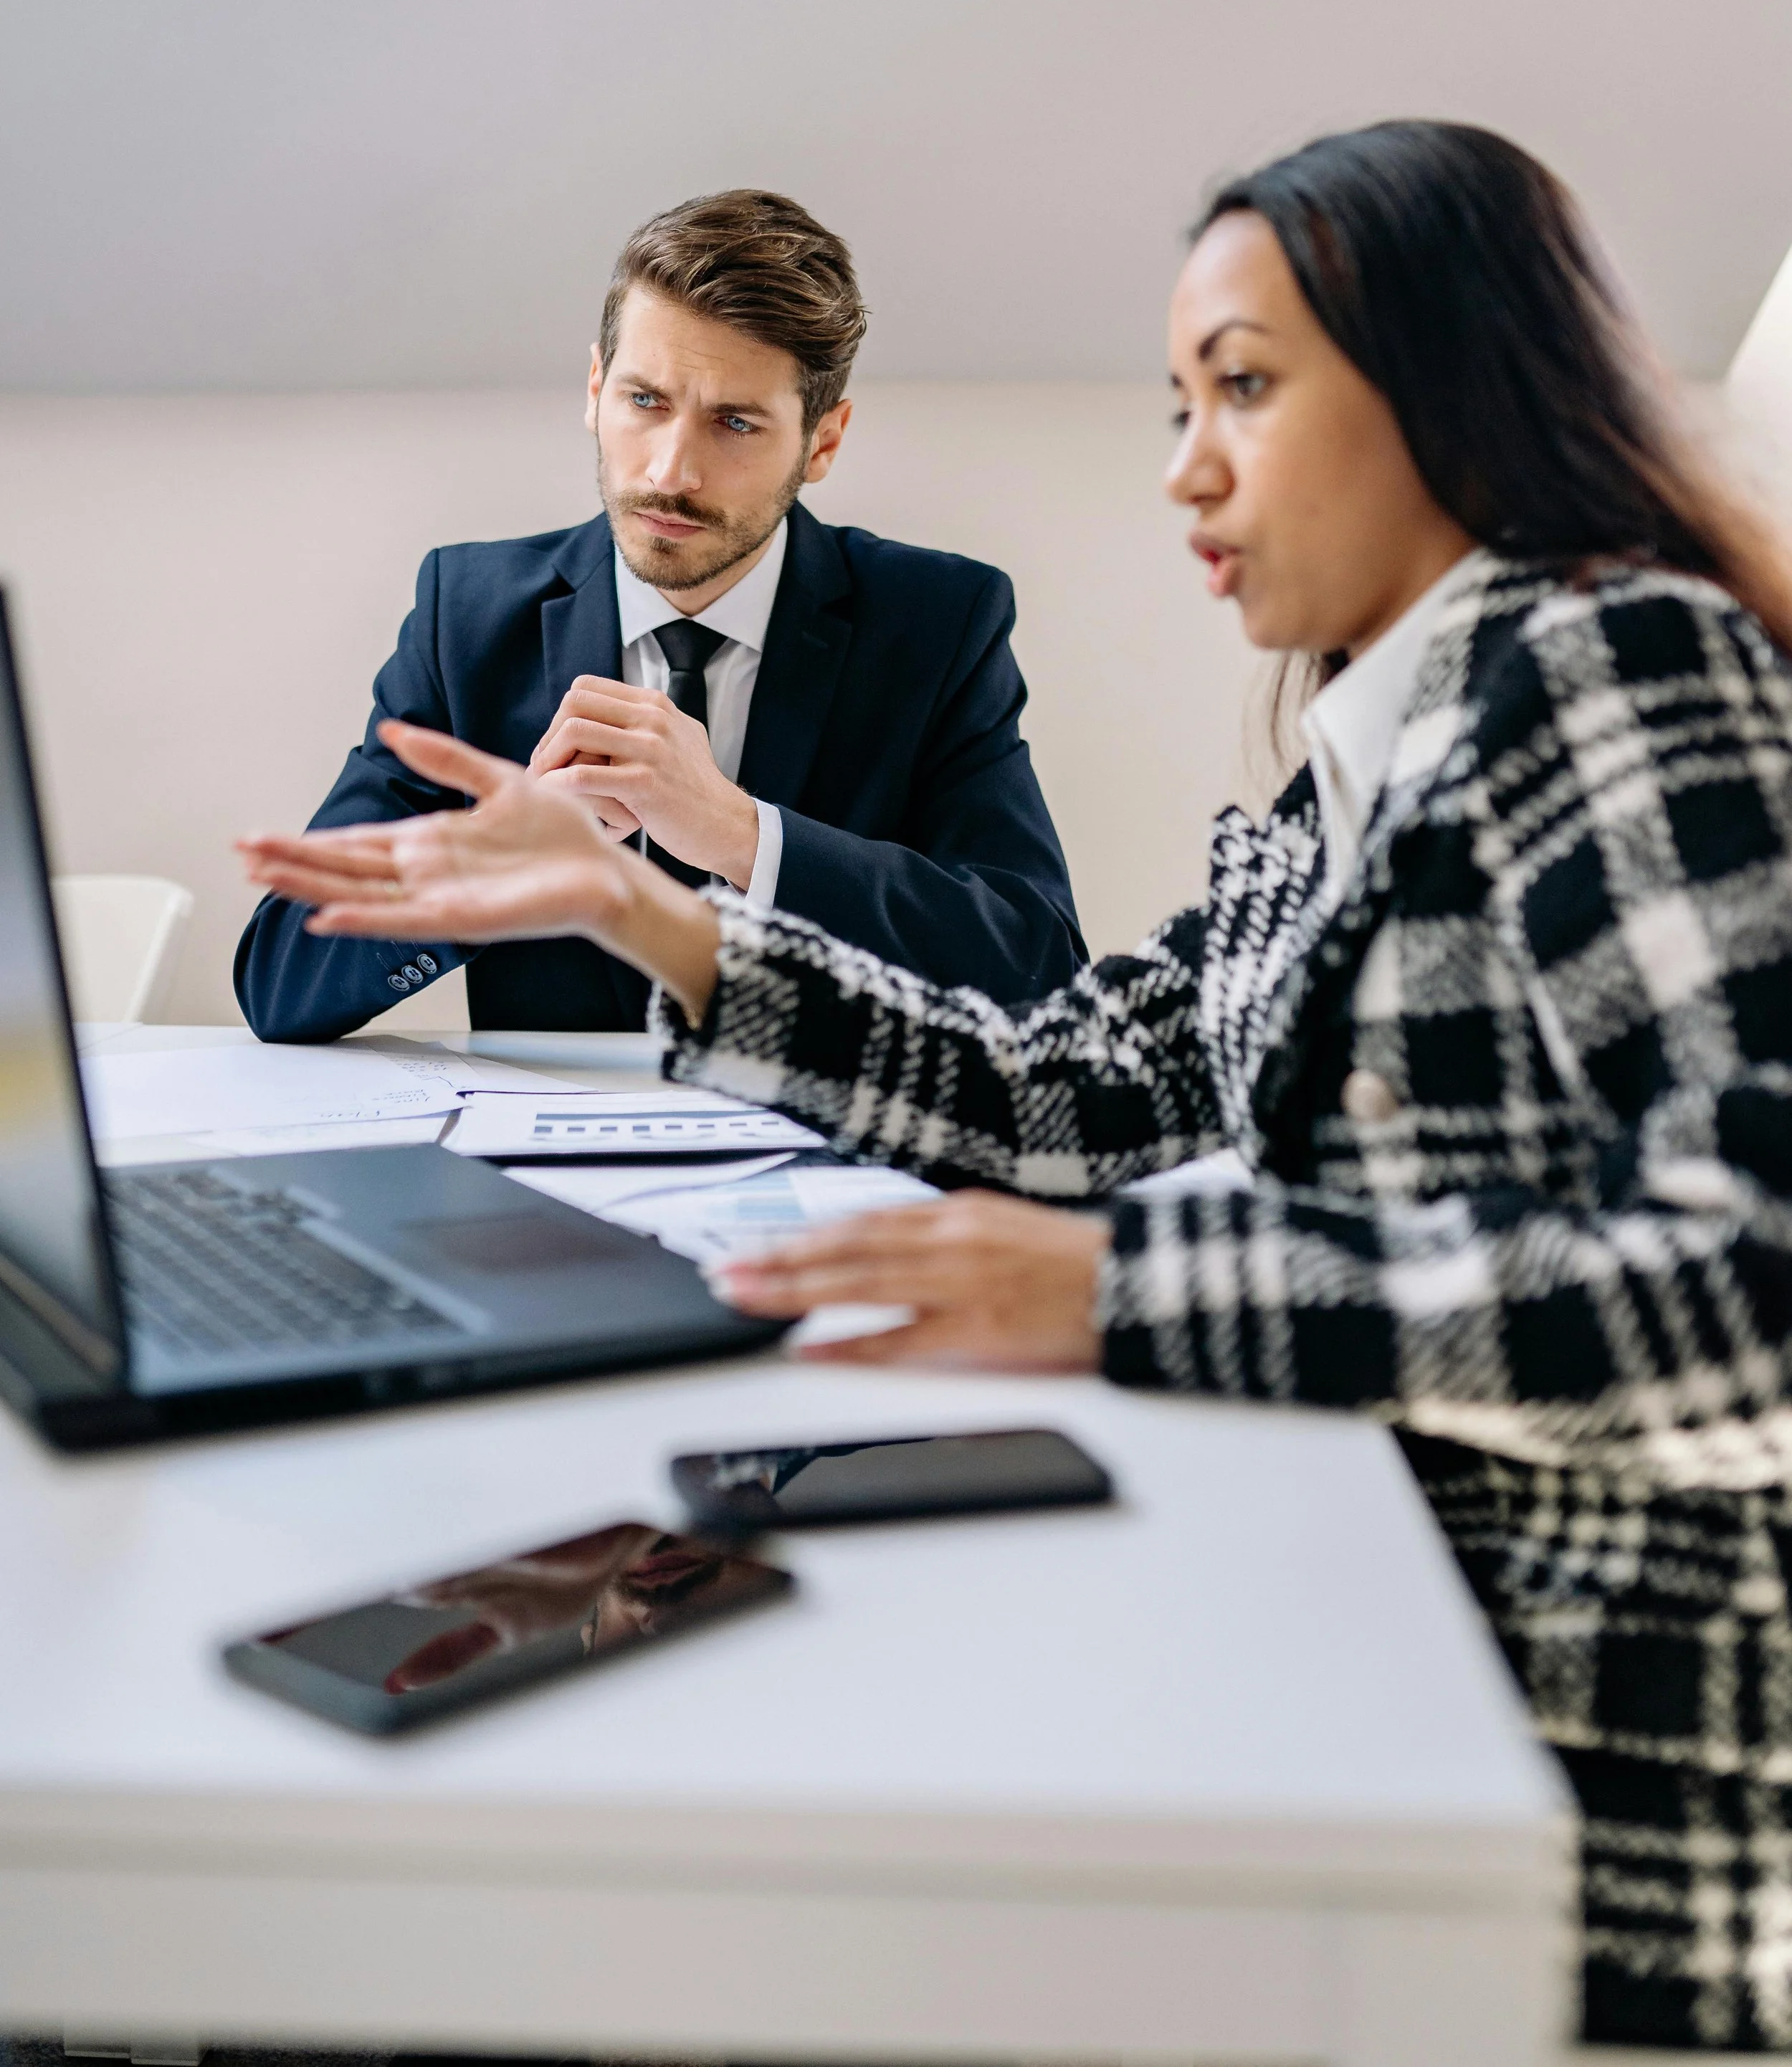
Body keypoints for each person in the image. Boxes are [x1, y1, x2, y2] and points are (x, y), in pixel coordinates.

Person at [240, 120, 1792, 2054]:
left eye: (1242, 387)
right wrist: (654, 919)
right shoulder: (1359, 759)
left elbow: (1758, 1297)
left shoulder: (1617, 670)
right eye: (1176, 399)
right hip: (1344, 1630)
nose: (1183, 463)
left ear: (1446, 384)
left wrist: (1127, 1291)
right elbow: (1075, 1086)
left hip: (1557, 1777)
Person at [235, 188, 1083, 1040]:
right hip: (548, 1162)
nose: (671, 472)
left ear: (822, 442)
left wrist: (743, 835)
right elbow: (278, 983)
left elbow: (1040, 968)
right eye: (645, 402)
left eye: (735, 423)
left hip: (826, 1151)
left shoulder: (938, 623)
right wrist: (483, 880)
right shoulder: (467, 616)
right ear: (596, 387)